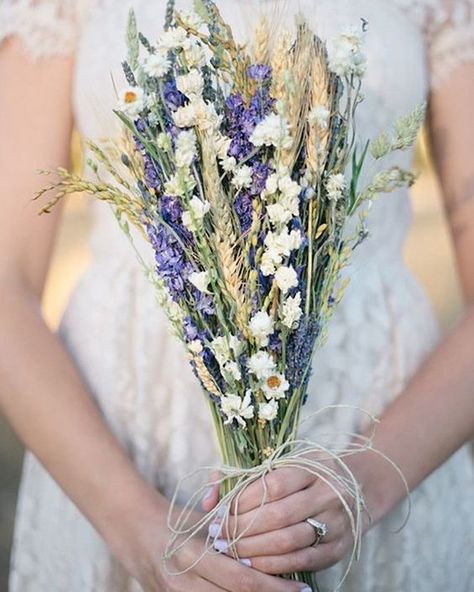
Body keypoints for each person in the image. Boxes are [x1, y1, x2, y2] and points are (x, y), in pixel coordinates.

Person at [0, 0, 473, 591]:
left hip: (385, 437)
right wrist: (137, 529)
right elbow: (6, 289)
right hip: (120, 459)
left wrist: (368, 480)